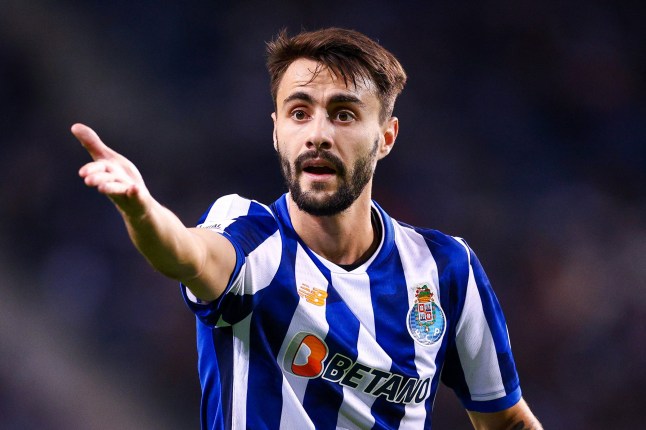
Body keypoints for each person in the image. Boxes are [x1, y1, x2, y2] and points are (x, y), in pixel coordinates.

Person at [73, 28, 542, 430]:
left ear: (386, 137)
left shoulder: (445, 269)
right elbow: (185, 253)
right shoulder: (253, 237)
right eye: (300, 112)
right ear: (277, 131)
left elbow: (506, 420)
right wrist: (142, 211)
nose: (318, 133)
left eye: (343, 114)